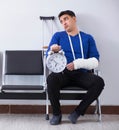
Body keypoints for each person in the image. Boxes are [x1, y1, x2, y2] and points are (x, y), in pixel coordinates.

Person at [46, 10, 105, 125]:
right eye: (61, 21)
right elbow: (48, 57)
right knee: (51, 79)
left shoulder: (88, 38)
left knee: (99, 82)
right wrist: (52, 51)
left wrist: (77, 64)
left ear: (74, 18)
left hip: (82, 74)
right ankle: (57, 114)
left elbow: (95, 61)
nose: (64, 23)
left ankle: (77, 112)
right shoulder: (58, 36)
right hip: (63, 74)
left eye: (66, 19)